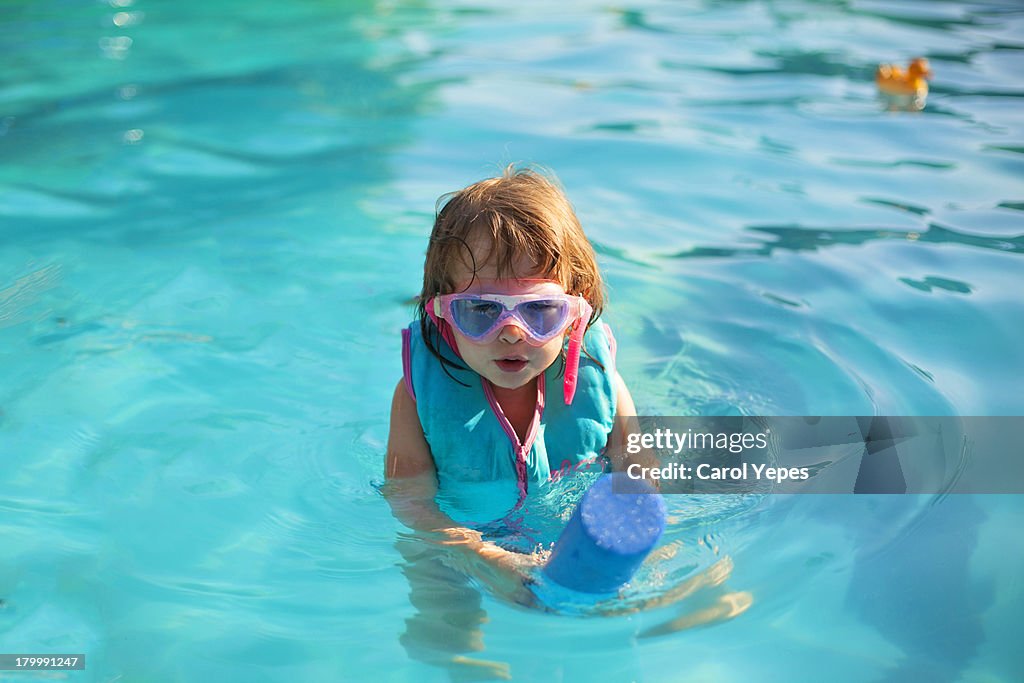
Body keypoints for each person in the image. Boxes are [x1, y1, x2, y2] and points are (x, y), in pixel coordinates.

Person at [384, 165, 640, 584]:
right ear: (442, 314)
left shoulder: (601, 378)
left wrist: (623, 537)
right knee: (438, 606)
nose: (511, 333)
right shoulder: (416, 396)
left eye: (540, 310)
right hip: (456, 539)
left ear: (577, 312)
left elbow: (638, 469)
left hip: (568, 535)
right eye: (480, 310)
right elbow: (409, 499)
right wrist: (480, 557)